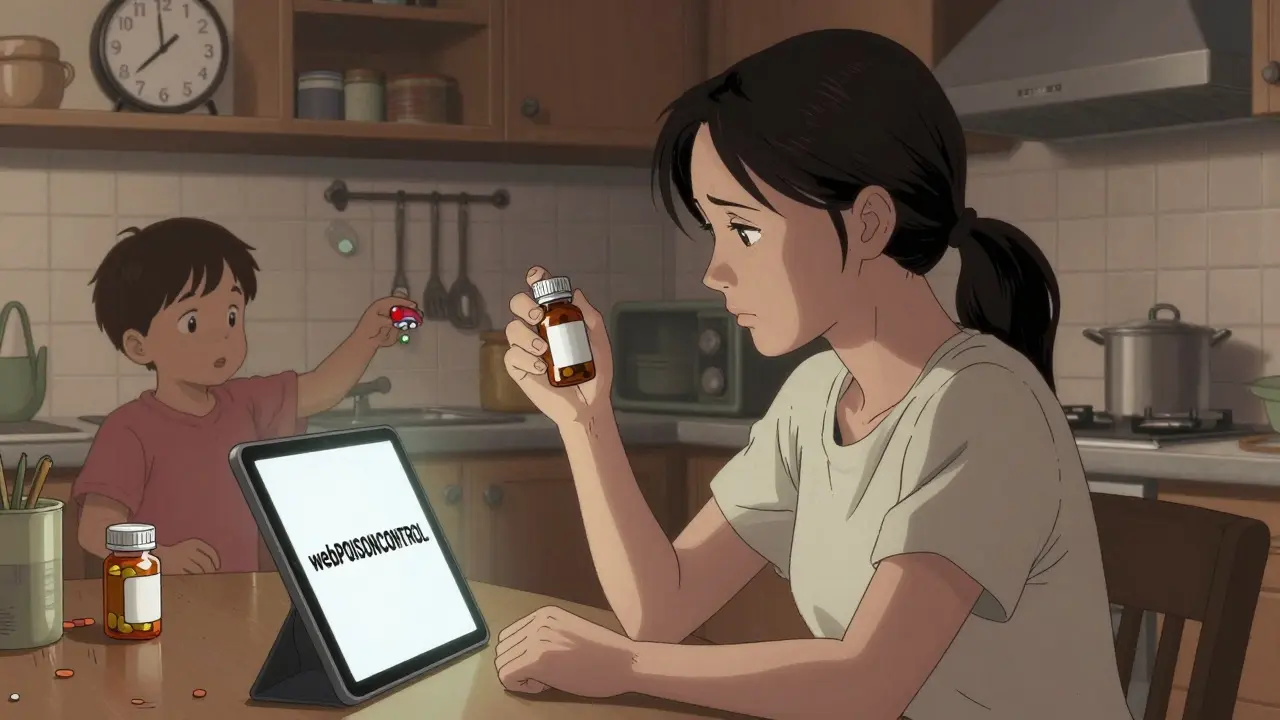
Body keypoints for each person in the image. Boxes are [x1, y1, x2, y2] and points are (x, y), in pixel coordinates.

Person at [491, 29, 1132, 720]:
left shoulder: (983, 401)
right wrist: (588, 422)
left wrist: (625, 668)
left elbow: (867, 683)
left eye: (745, 230)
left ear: (868, 225)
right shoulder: (815, 398)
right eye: (712, 228)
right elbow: (661, 606)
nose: (715, 271)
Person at [73, 218, 416, 575]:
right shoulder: (129, 430)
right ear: (138, 345)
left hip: (240, 603)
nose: (223, 332)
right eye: (191, 322)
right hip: (160, 610)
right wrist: (159, 558)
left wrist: (368, 336)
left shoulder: (246, 403)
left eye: (232, 315)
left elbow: (323, 387)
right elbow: (96, 530)